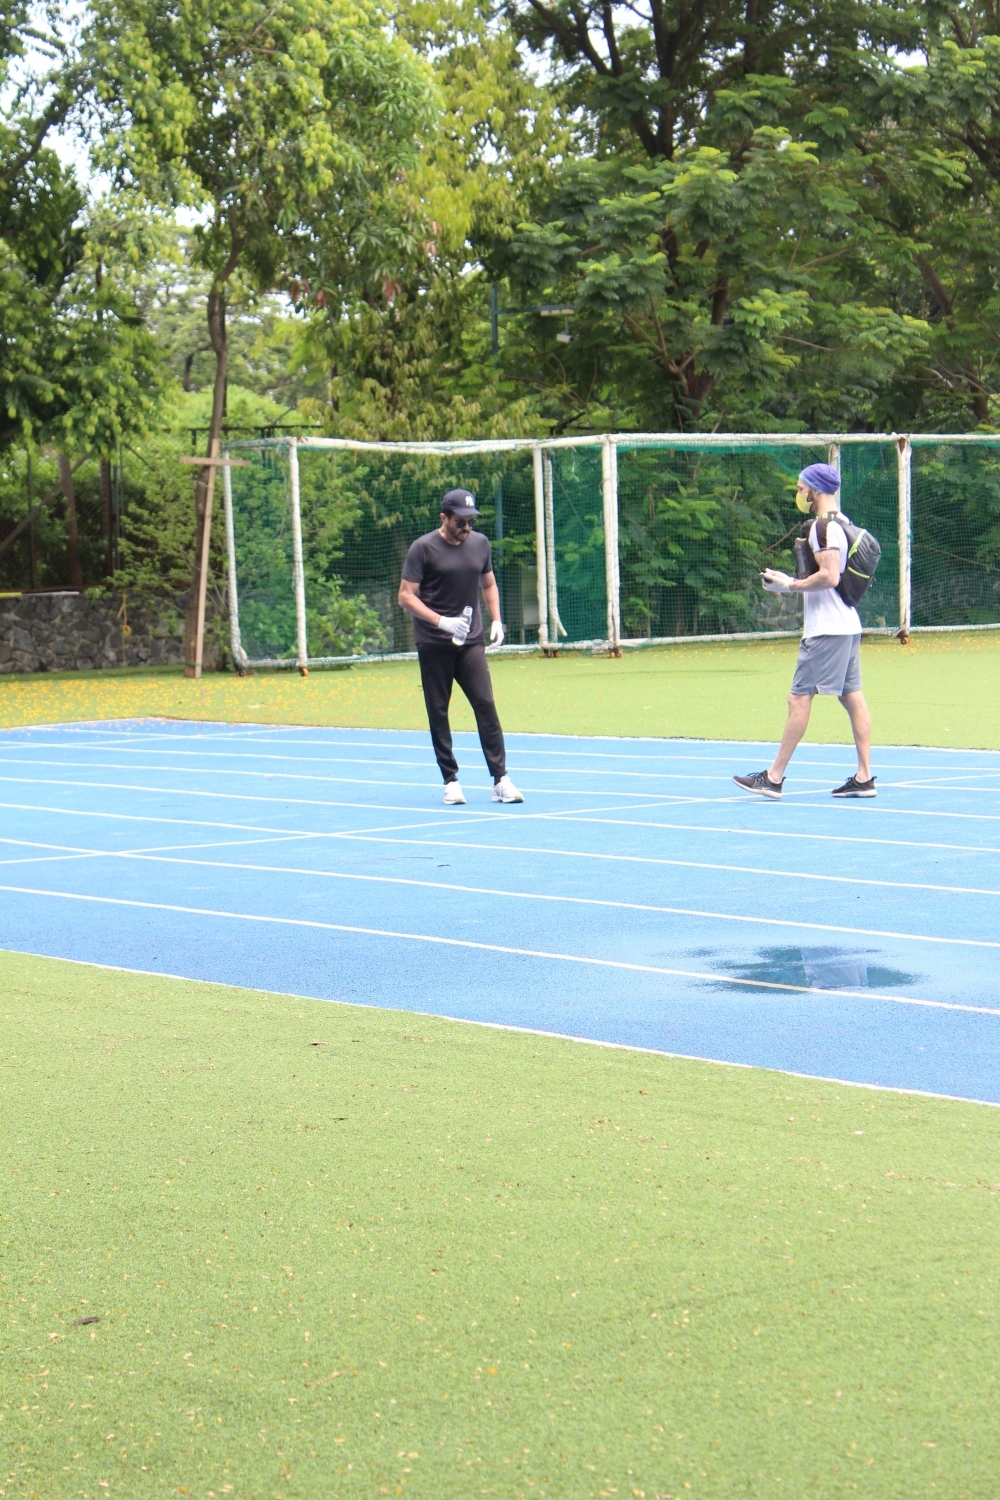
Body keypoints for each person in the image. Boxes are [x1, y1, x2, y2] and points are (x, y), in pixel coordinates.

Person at [733, 461, 876, 800]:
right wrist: (790, 582)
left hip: (826, 631)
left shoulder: (820, 528)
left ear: (815, 490)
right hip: (846, 626)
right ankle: (864, 777)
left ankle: (774, 777)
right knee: (851, 697)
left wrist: (789, 585)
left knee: (798, 698)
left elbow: (829, 576)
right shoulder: (842, 524)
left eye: (801, 489)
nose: (799, 494)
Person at [399, 488, 524, 806]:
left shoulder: (480, 544)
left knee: (485, 704)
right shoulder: (423, 549)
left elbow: (489, 582)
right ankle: (450, 781)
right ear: (444, 518)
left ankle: (500, 779)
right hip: (434, 642)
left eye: (470, 521)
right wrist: (441, 622)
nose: (467, 527)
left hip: (470, 642)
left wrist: (497, 620)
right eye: (460, 521)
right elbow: (406, 596)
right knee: (438, 711)